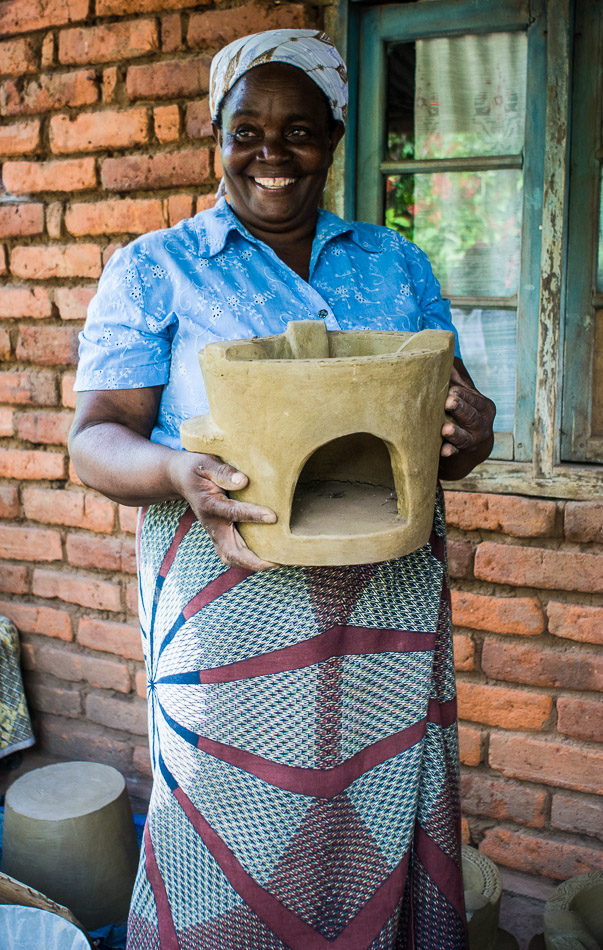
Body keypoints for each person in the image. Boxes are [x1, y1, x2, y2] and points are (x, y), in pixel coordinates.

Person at [69, 28, 495, 950]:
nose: (271, 152)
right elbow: (96, 438)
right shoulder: (156, 268)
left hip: (387, 593)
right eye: (246, 129)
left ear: (334, 139)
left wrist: (470, 434)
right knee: (230, 818)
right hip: (231, 596)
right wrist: (179, 470)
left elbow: (439, 426)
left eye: (299, 129)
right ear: (214, 136)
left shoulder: (393, 262)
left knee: (378, 804)